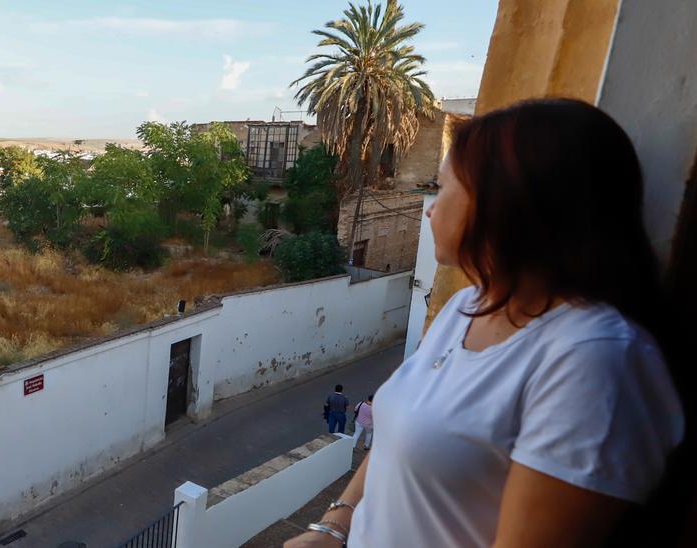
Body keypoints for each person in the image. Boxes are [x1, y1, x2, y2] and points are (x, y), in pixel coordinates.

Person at [285, 99, 684, 548]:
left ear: (503, 206)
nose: (430, 209)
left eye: (442, 186)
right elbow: (401, 436)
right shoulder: (464, 308)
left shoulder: (593, 361)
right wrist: (335, 527)